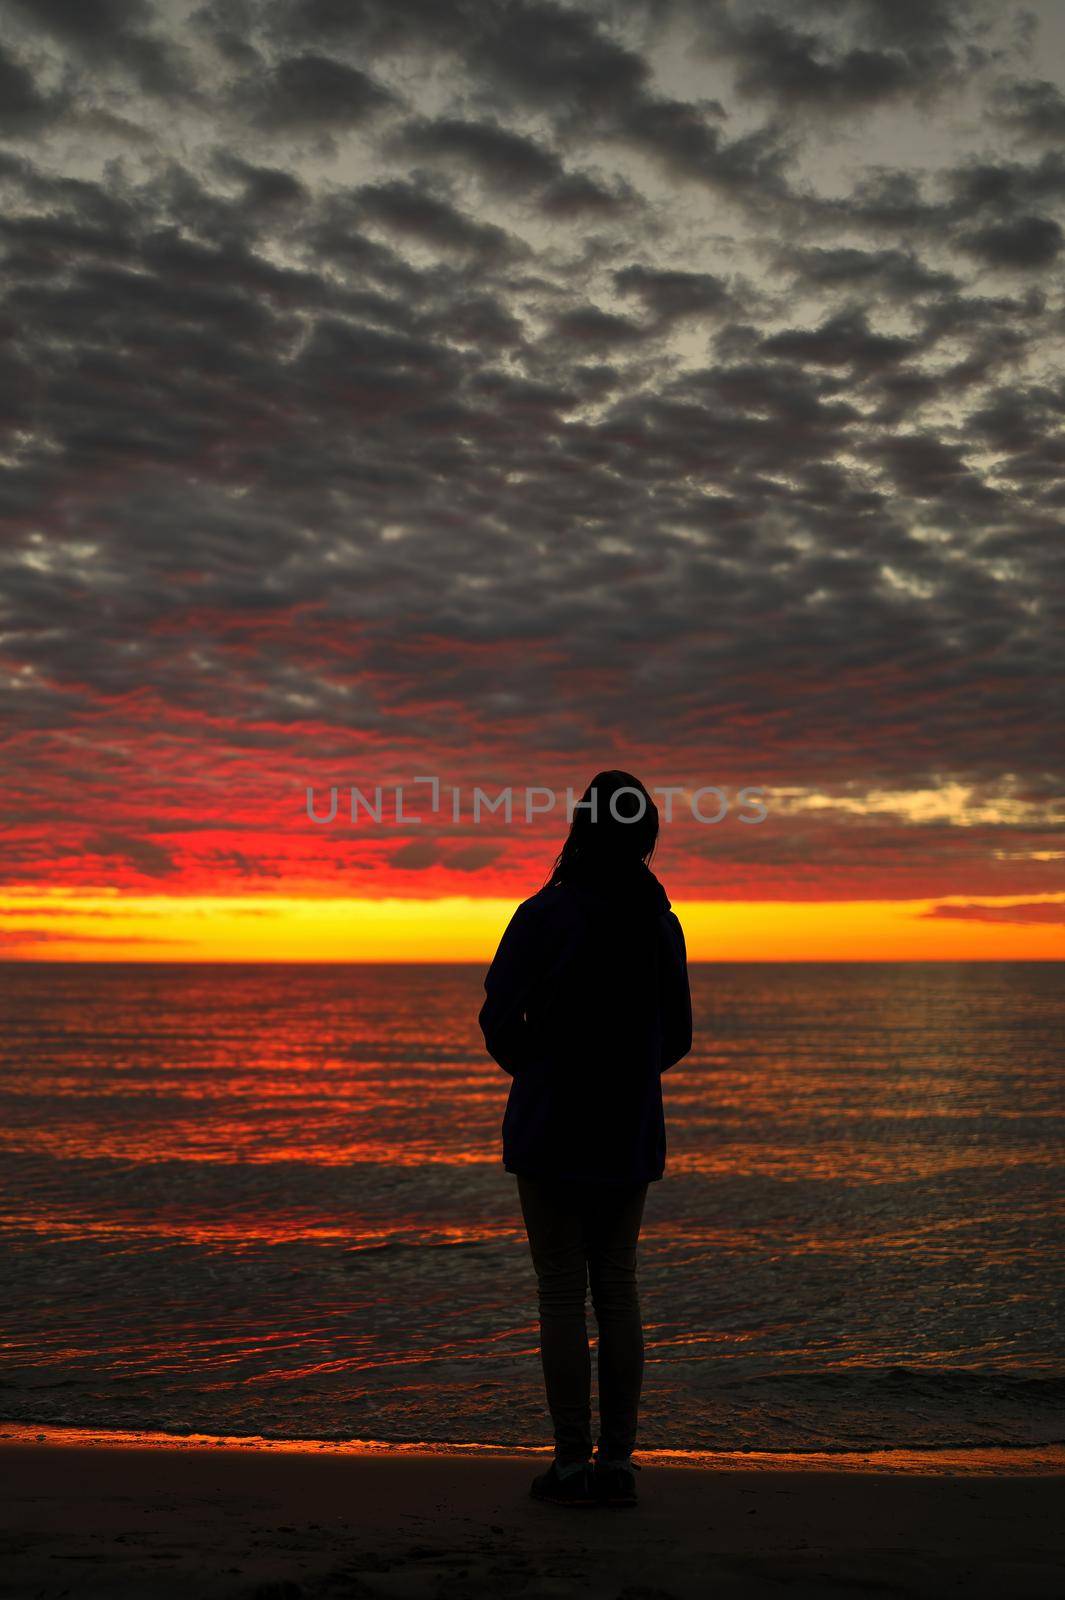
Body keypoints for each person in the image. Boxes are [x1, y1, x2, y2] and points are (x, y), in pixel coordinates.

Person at [478, 770, 692, 1509]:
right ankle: (619, 1464)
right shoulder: (659, 923)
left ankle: (571, 1464)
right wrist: (626, 1076)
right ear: (642, 837)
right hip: (625, 1128)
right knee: (617, 1287)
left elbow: (497, 1018)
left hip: (550, 1127)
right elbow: (678, 1035)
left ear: (580, 826)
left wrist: (539, 1073)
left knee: (564, 1291)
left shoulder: (544, 915)